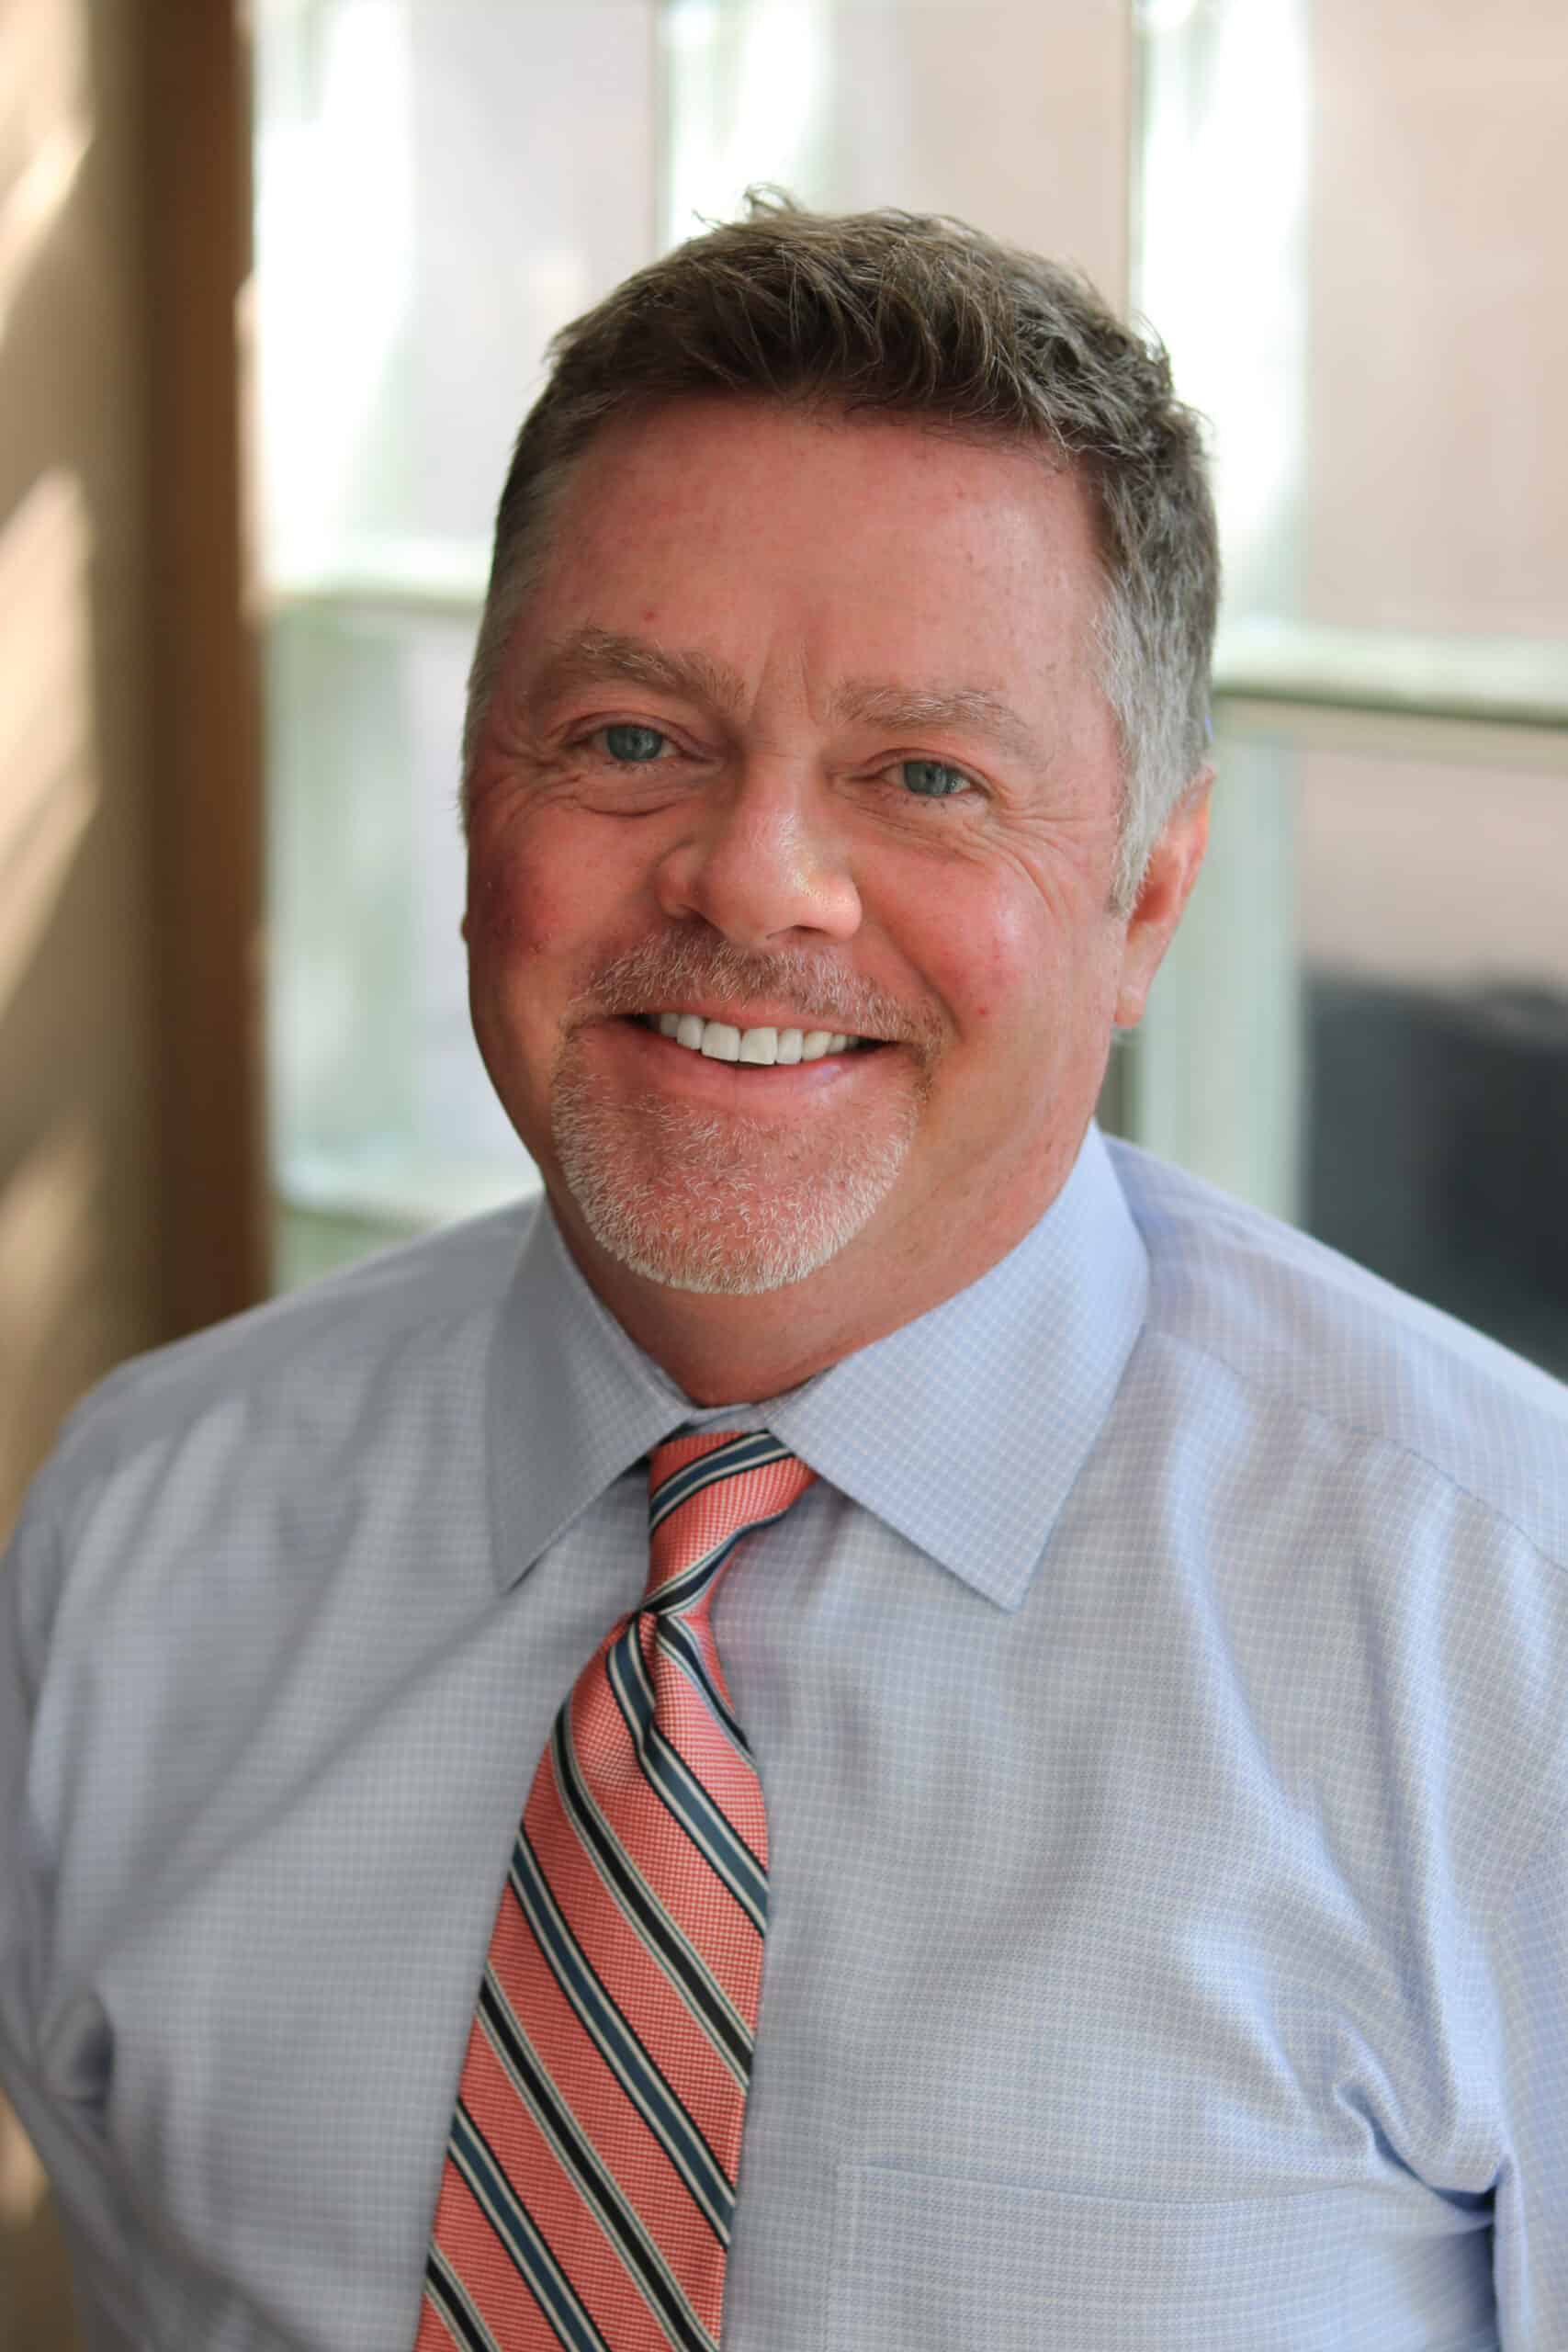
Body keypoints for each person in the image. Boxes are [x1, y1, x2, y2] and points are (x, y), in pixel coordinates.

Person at [3, 195, 1566, 2352]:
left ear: (1144, 898)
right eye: (632, 734)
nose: (755, 875)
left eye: (924, 775)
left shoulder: (1508, 1628)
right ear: (478, 795)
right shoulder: (139, 1530)